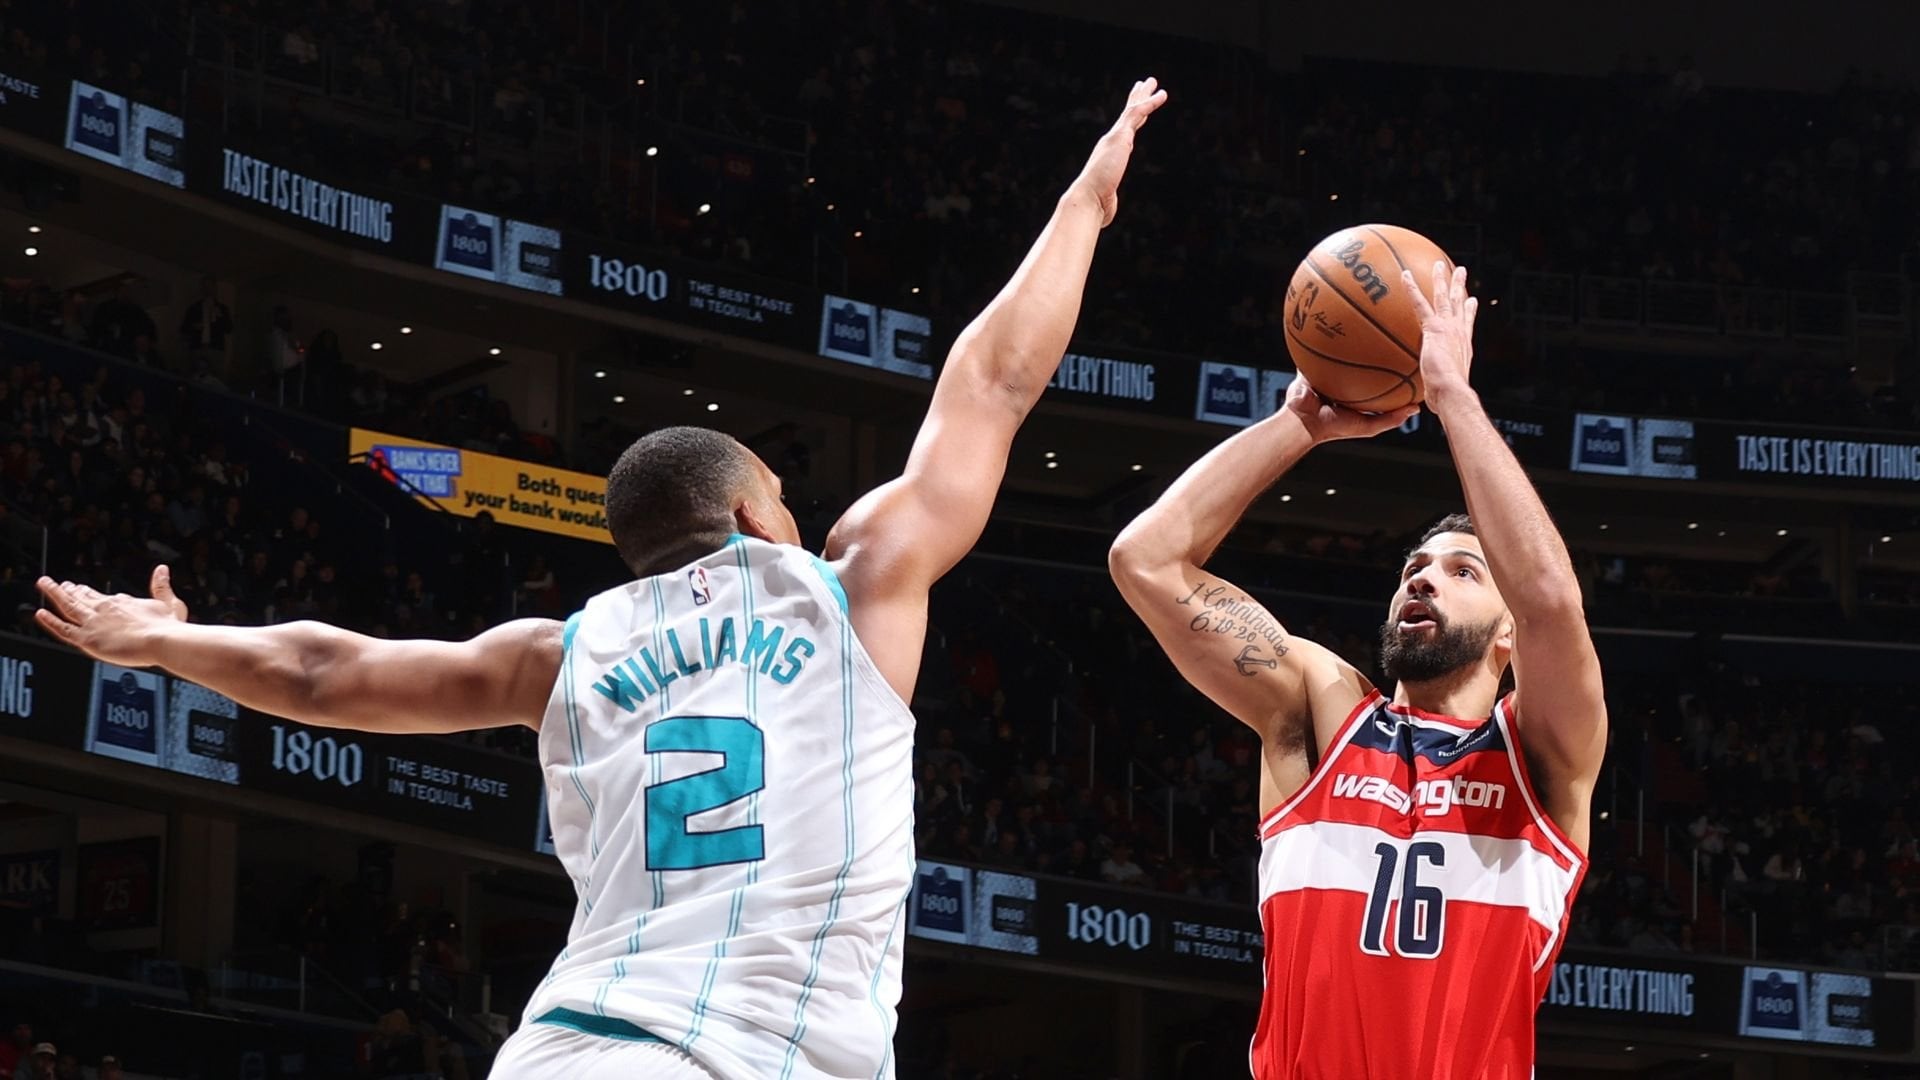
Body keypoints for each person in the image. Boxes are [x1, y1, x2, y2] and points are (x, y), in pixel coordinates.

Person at [36, 78, 1169, 1080]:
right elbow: (992, 383)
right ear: (748, 516)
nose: (798, 517)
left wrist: (161, 641)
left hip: (564, 1044)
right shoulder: (849, 591)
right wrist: (1083, 205)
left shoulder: (558, 654)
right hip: (747, 1051)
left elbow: (324, 672)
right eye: (784, 496)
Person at [1108, 263, 1604, 1079]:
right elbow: (1145, 562)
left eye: (1463, 572)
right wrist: (1298, 425)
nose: (1423, 579)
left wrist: (1452, 397)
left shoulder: (1541, 755)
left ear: (1508, 631)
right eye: (1415, 567)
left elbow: (1552, 601)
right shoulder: (1324, 709)